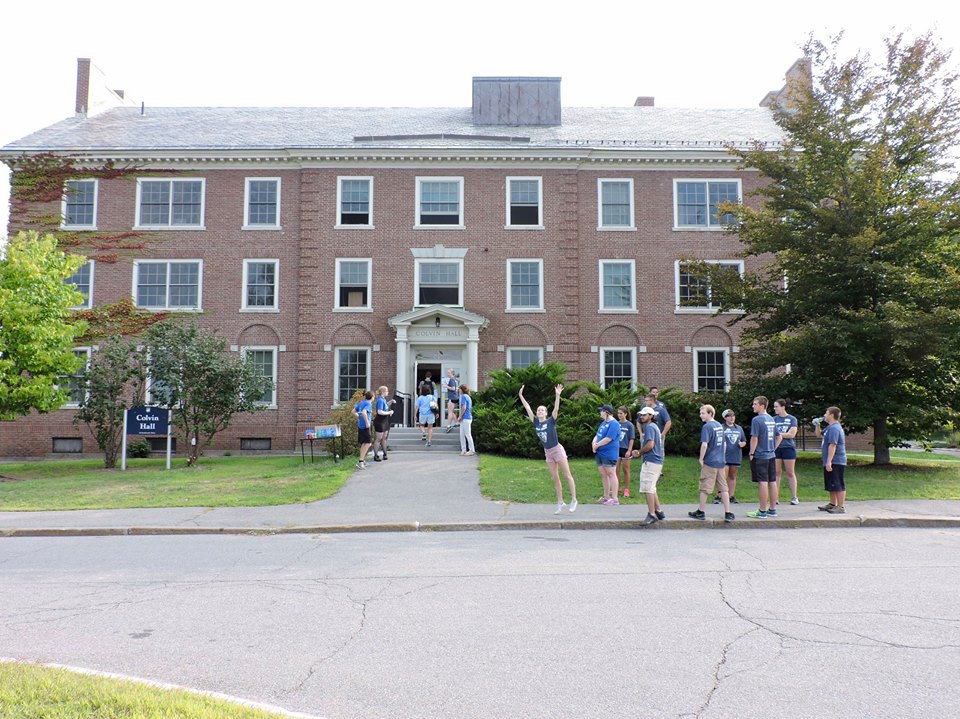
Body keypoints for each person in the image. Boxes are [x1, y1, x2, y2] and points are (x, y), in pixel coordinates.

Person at [518, 383, 578, 514]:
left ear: (545, 413)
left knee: (567, 475)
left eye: (542, 410)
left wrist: (558, 395)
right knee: (555, 478)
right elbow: (527, 407)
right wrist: (521, 396)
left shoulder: (551, 421)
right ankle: (560, 502)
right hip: (548, 453)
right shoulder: (535, 422)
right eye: (538, 410)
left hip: (557, 449)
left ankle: (574, 500)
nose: (540, 412)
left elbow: (556, 409)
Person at [688, 404, 734, 523]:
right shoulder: (719, 425)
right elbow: (724, 444)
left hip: (710, 462)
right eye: (700, 413)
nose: (700, 415)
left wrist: (701, 458)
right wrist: (722, 457)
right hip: (720, 462)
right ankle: (728, 512)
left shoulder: (707, 427)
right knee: (723, 488)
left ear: (710, 414)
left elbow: (704, 444)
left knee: (705, 487)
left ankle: (701, 511)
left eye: (703, 413)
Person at [746, 395, 782, 519]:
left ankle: (762, 511)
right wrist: (773, 448)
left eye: (755, 404)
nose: (753, 406)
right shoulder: (771, 419)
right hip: (771, 455)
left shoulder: (757, 420)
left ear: (762, 406)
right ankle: (772, 509)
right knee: (772, 481)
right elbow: (779, 437)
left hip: (761, 455)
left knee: (762, 482)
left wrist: (751, 453)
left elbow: (754, 438)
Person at [633, 406, 666, 526]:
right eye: (641, 415)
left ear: (651, 416)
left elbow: (650, 445)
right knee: (652, 487)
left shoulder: (649, 427)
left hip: (651, 461)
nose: (642, 417)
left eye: (645, 415)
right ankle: (658, 510)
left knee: (648, 488)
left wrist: (639, 452)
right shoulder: (654, 427)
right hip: (656, 461)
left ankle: (651, 514)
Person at [815, 407, 847, 513]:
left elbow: (833, 445)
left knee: (837, 483)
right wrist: (817, 425)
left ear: (832, 415)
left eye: (826, 413)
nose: (824, 415)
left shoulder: (834, 428)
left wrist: (829, 461)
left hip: (836, 461)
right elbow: (818, 435)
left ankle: (841, 507)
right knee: (831, 483)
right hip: (830, 460)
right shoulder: (829, 428)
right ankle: (832, 503)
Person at [715, 409, 746, 504]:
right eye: (729, 416)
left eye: (733, 416)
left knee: (732, 476)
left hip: (735, 456)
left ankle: (731, 496)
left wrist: (742, 444)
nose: (732, 418)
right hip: (724, 456)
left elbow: (744, 440)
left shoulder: (739, 428)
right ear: (725, 418)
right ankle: (719, 496)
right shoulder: (721, 427)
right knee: (723, 476)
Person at [592, 404, 621, 505]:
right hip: (600, 452)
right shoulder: (604, 423)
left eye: (601, 411)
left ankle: (615, 498)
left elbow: (608, 438)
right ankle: (606, 496)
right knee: (603, 474)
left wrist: (596, 446)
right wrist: (593, 443)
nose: (600, 413)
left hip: (609, 453)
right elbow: (598, 435)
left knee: (611, 474)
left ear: (606, 412)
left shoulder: (614, 424)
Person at [773, 398, 800, 505]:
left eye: (776, 406)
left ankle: (794, 497)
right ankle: (775, 497)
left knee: (790, 472)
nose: (775, 408)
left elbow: (791, 434)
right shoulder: (773, 419)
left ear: (783, 407)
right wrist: (784, 434)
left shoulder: (792, 419)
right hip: (776, 448)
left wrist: (779, 434)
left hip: (788, 448)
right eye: (774, 406)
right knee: (776, 473)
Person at [371, 385, 394, 461]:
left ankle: (385, 454)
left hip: (385, 421)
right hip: (380, 421)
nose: (388, 392)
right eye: (387, 391)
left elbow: (386, 406)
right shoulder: (380, 400)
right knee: (378, 438)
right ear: (383, 392)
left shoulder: (383, 399)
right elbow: (379, 411)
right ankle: (376, 455)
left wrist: (390, 401)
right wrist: (389, 412)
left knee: (384, 438)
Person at [352, 390, 374, 469]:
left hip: (360, 425)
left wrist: (358, 416)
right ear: (372, 397)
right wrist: (367, 422)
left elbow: (353, 411)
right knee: (368, 443)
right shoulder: (368, 404)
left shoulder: (361, 403)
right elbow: (364, 412)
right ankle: (361, 462)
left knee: (364, 443)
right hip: (365, 426)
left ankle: (362, 461)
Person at [617, 406, 635, 497]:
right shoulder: (616, 424)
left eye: (621, 413)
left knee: (626, 470)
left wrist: (629, 450)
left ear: (625, 414)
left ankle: (626, 489)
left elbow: (632, 439)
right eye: (618, 413)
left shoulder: (629, 425)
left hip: (626, 449)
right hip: (616, 449)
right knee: (616, 469)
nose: (619, 415)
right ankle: (618, 487)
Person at [458, 384, 474, 456]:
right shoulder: (468, 397)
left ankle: (471, 450)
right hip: (465, 418)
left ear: (462, 390)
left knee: (467, 434)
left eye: (459, 389)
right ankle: (463, 450)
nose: (459, 390)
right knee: (462, 434)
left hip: (466, 418)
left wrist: (460, 416)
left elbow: (464, 407)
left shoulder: (464, 396)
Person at [443, 368, 460, 432]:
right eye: (448, 372)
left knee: (449, 412)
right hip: (455, 397)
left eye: (449, 372)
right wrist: (447, 385)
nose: (448, 374)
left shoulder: (452, 379)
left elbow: (453, 388)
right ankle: (457, 423)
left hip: (452, 397)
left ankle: (449, 425)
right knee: (451, 411)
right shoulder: (455, 380)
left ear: (452, 373)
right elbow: (455, 388)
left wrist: (446, 386)